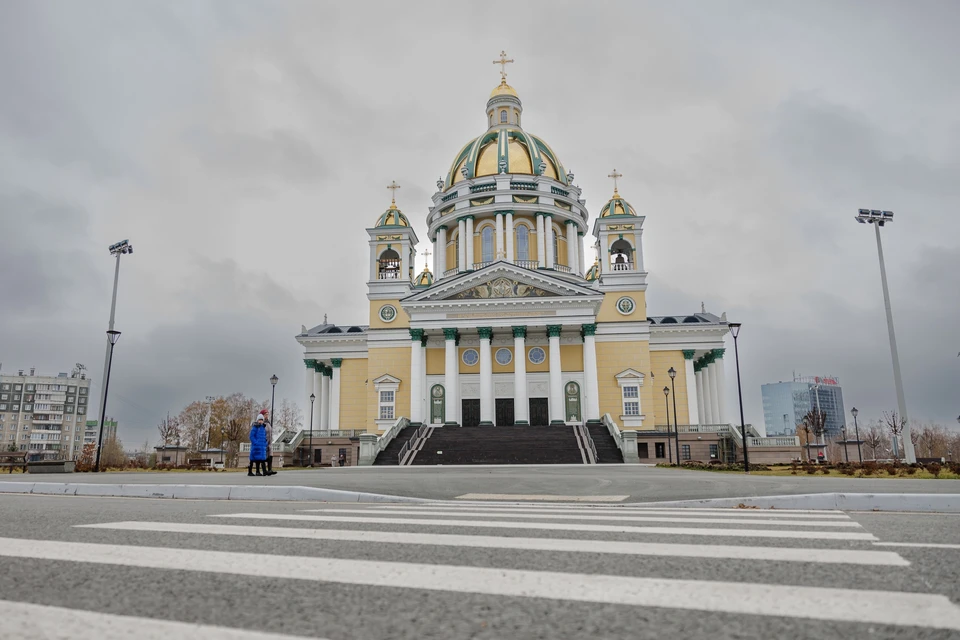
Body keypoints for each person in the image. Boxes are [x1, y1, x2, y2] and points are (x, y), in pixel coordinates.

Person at [260, 409, 277, 476]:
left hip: (269, 442)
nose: (267, 416)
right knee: (263, 456)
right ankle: (264, 470)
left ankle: (270, 469)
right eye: (265, 414)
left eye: (267, 414)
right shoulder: (261, 423)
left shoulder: (268, 423)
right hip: (264, 442)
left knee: (270, 455)